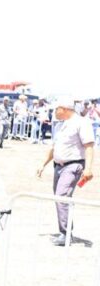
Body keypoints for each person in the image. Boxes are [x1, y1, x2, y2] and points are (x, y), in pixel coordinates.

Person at [36, 97, 95, 246]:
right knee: (61, 198)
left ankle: (66, 233)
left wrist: (88, 168)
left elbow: (89, 146)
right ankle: (66, 231)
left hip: (73, 165)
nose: (54, 112)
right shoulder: (61, 125)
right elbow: (53, 148)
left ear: (65, 109)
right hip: (59, 166)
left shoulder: (81, 123)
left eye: (56, 109)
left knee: (61, 196)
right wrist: (43, 164)